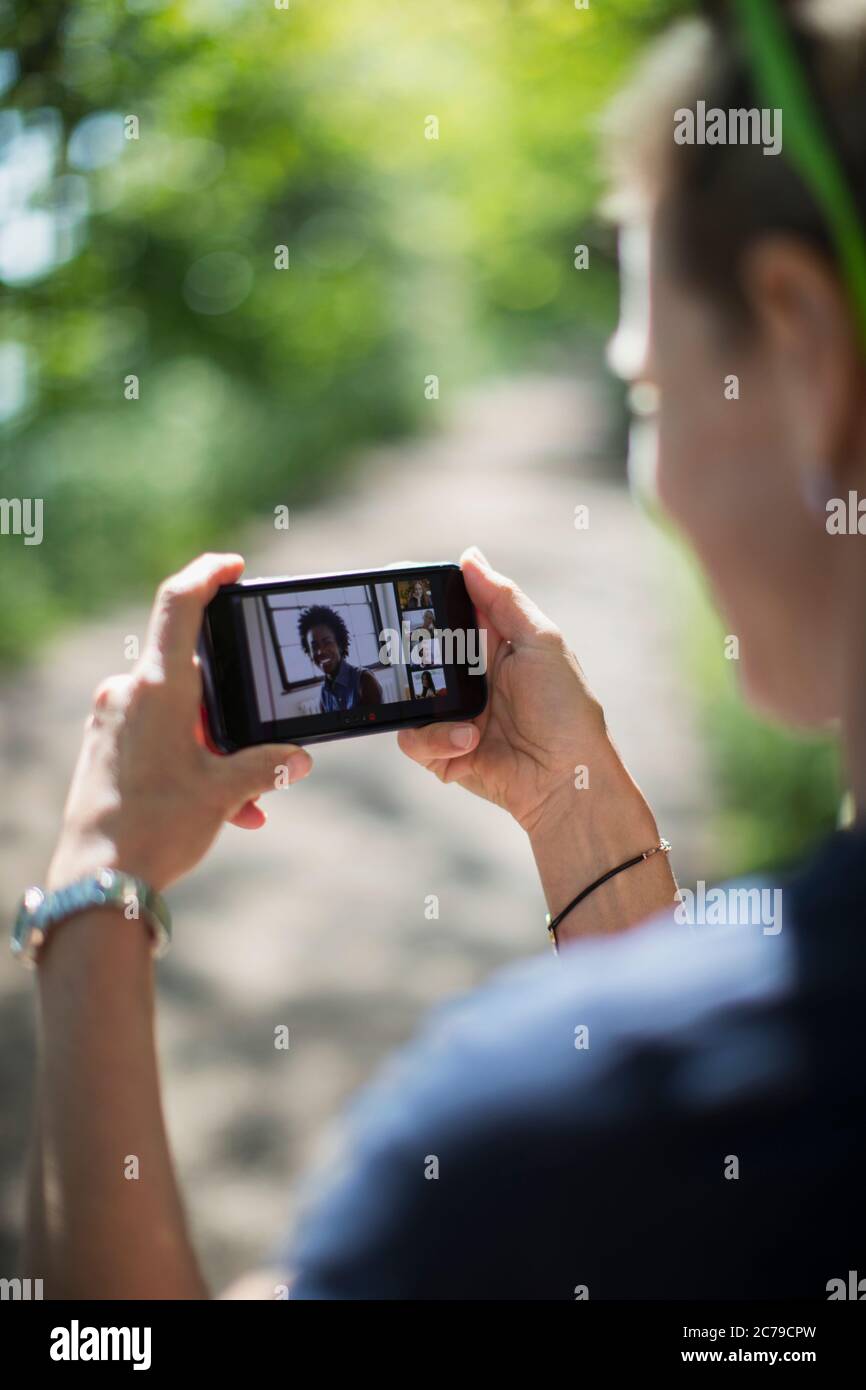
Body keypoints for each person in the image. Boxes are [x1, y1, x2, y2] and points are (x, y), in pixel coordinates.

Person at [17, 2, 866, 1299]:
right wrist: (573, 806)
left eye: (646, 393)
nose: (651, 475)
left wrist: (94, 886)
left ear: (801, 346)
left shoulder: (503, 1146)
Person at [297, 604, 383, 712]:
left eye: (327, 642)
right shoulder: (324, 694)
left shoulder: (365, 681)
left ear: (340, 644)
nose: (320, 651)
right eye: (314, 646)